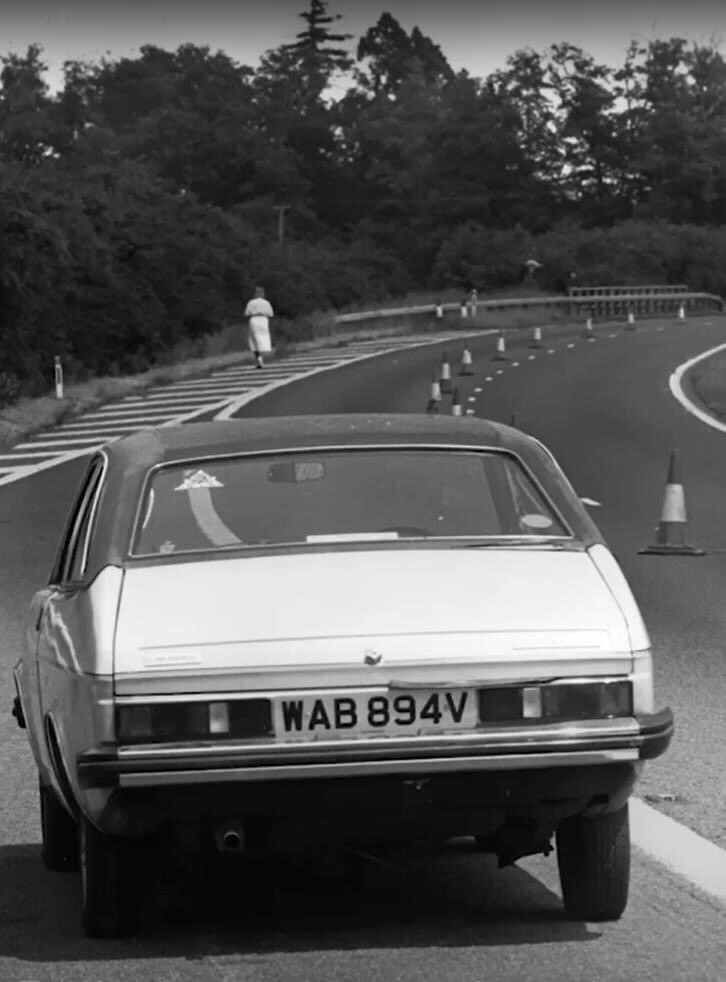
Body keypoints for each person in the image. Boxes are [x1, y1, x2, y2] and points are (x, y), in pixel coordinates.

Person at [244, 286, 274, 368]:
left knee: (254, 341)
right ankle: (261, 358)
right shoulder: (266, 303)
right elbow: (271, 314)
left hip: (254, 320)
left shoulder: (251, 302)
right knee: (263, 340)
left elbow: (246, 313)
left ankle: (259, 359)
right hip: (263, 320)